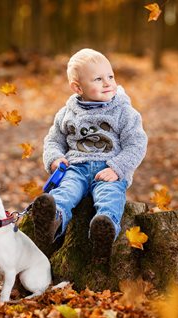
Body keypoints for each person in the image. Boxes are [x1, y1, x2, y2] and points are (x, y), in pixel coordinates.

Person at [32, 48, 148, 265]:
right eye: (98, 79)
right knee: (65, 193)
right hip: (75, 168)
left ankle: (103, 232)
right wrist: (55, 158)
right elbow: (53, 141)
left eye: (110, 76)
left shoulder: (123, 111)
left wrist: (117, 169)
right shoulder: (67, 113)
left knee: (110, 198)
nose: (108, 83)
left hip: (108, 169)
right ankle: (52, 222)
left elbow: (137, 143)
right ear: (78, 87)